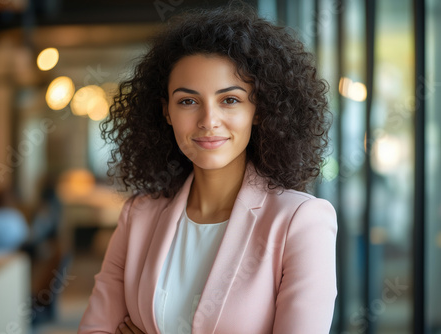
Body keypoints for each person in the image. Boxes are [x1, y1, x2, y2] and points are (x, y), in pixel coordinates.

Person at [79, 3, 337, 334]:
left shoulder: (301, 222)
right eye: (188, 101)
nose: (208, 122)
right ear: (167, 112)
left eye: (230, 100)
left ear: (258, 110)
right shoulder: (139, 215)